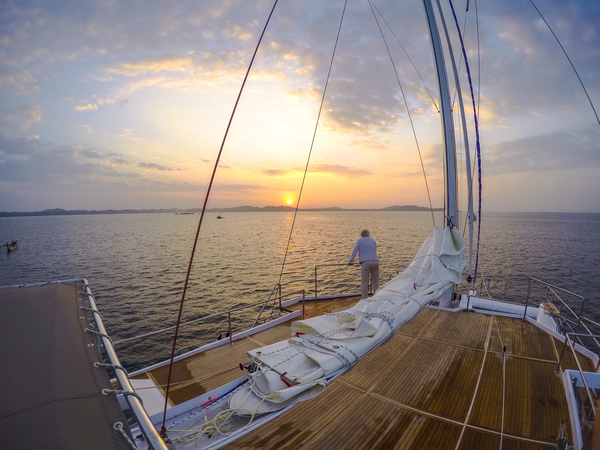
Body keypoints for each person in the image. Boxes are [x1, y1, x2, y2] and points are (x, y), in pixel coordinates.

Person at [348, 229, 379, 299]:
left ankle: (364, 299)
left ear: (361, 235)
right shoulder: (372, 240)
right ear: (368, 234)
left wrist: (350, 261)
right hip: (375, 261)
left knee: (364, 282)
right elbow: (375, 249)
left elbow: (354, 252)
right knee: (376, 282)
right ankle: (377, 298)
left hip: (366, 262)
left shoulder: (359, 241)